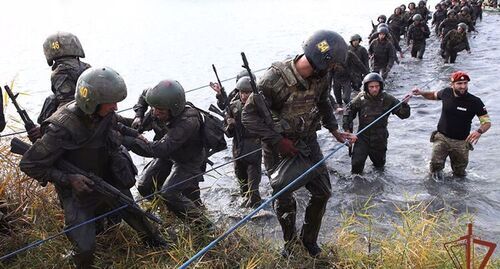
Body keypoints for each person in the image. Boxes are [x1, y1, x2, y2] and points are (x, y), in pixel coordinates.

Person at [19, 66, 166, 268]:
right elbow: (29, 164)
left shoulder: (103, 114)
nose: (115, 106)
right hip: (78, 191)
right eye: (110, 103)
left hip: (107, 179)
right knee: (85, 250)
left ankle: (158, 249)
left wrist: (134, 134)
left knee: (141, 221)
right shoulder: (61, 127)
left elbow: (116, 123)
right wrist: (68, 179)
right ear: (92, 102)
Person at [241, 30, 356, 257]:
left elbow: (323, 102)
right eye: (331, 65)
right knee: (283, 197)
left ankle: (309, 241)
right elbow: (248, 116)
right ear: (321, 62)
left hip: (307, 140)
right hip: (277, 147)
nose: (332, 70)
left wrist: (335, 131)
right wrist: (278, 141)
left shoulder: (321, 76)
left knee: (323, 192)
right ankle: (290, 244)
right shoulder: (274, 79)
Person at [123, 80, 211, 228]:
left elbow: (159, 149)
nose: (155, 113)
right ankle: (170, 210)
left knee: (172, 193)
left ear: (173, 109)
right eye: (154, 108)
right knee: (144, 186)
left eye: (161, 111)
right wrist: (139, 115)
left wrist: (129, 142)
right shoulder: (159, 104)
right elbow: (145, 94)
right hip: (170, 154)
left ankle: (204, 226)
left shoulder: (188, 121)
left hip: (188, 160)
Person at [412, 71, 491, 180]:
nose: (463, 86)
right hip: (442, 138)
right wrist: (420, 92)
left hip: (461, 142)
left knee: (459, 174)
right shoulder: (446, 93)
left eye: (465, 83)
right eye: (459, 83)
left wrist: (479, 131)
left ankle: (457, 195)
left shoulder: (475, 102)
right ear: (452, 84)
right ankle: (433, 193)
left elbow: (486, 122)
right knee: (435, 168)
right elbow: (433, 95)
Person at [28, 32, 92, 142]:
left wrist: (45, 129)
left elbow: (67, 104)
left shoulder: (60, 71)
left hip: (76, 121)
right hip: (91, 113)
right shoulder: (87, 67)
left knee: (51, 100)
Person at [342, 73, 411, 174]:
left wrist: (404, 104)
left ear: (381, 86)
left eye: (377, 86)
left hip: (379, 138)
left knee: (379, 167)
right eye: (371, 87)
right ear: (366, 87)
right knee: (356, 166)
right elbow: (348, 111)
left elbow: (403, 115)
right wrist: (348, 131)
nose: (374, 89)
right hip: (362, 137)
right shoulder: (361, 98)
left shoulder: (388, 98)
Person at [223, 77, 263, 208]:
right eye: (241, 92)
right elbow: (228, 134)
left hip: (253, 151)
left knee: (253, 190)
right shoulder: (233, 106)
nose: (244, 95)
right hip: (238, 151)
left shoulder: (259, 106)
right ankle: (244, 209)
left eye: (247, 92)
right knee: (242, 186)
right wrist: (230, 125)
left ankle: (256, 212)